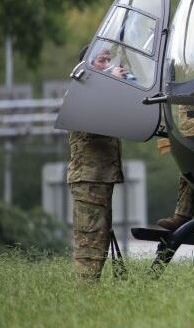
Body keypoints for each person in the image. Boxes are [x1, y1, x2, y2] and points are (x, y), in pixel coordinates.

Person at [67, 47, 125, 281]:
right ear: (88, 65)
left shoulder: (95, 93)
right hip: (88, 178)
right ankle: (85, 296)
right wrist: (110, 85)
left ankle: (91, 292)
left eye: (109, 59)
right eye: (102, 60)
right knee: (89, 241)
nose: (109, 64)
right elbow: (92, 119)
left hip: (99, 178)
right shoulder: (80, 91)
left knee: (100, 237)